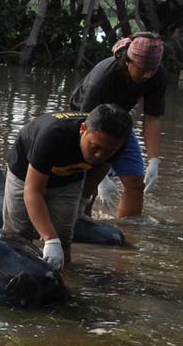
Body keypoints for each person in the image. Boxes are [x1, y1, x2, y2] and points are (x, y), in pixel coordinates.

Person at [2, 105, 133, 270]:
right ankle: (13, 274)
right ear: (83, 129)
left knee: (63, 240)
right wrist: (49, 239)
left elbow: (101, 166)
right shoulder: (52, 135)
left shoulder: (118, 142)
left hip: (69, 177)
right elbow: (33, 191)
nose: (100, 155)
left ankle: (63, 281)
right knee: (19, 235)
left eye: (110, 150)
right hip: (25, 173)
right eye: (95, 147)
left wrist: (84, 198)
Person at [69, 32, 166, 217]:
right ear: (127, 61)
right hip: (85, 123)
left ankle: (128, 232)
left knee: (136, 183)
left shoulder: (157, 75)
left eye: (152, 70)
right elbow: (85, 123)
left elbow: (152, 118)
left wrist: (154, 159)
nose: (147, 74)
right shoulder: (103, 77)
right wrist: (101, 177)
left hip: (119, 123)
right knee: (88, 187)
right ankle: (83, 225)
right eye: (143, 69)